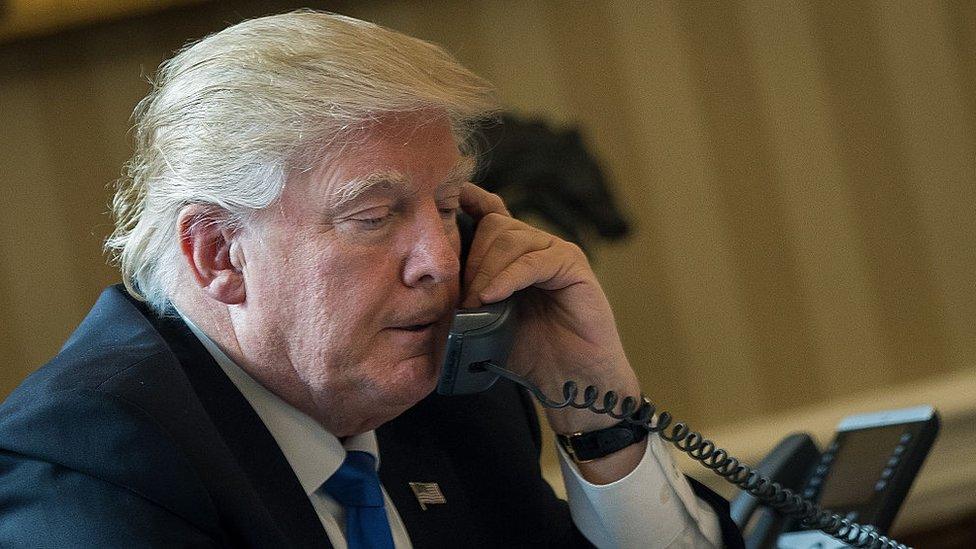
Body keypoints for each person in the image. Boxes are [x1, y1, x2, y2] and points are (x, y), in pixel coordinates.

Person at [0, 10, 742, 548]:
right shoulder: (96, 460)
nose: (442, 261)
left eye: (450, 206)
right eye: (375, 215)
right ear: (220, 255)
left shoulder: (450, 400)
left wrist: (598, 413)